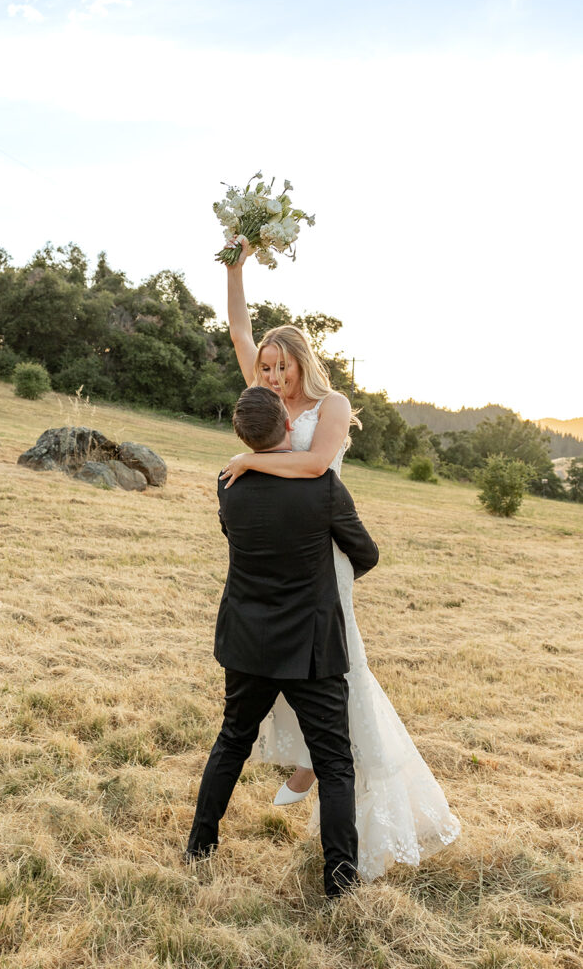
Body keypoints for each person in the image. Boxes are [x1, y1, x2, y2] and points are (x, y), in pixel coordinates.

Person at [220, 236, 460, 883]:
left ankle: (326, 767)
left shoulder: (331, 407)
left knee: (337, 663)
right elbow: (238, 328)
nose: (269, 378)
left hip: (324, 557)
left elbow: (315, 464)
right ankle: (305, 757)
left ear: (300, 363)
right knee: (285, 663)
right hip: (278, 554)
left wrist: (247, 459)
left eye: (279, 367)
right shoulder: (267, 401)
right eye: (264, 369)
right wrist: (235, 270)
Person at [185, 386, 379, 898]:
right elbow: (366, 553)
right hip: (311, 645)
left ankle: (199, 846)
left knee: (231, 740)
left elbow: (235, 538)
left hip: (246, 637)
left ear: (243, 439)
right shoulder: (325, 488)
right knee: (335, 763)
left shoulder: (229, 483)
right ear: (290, 427)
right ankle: (340, 882)